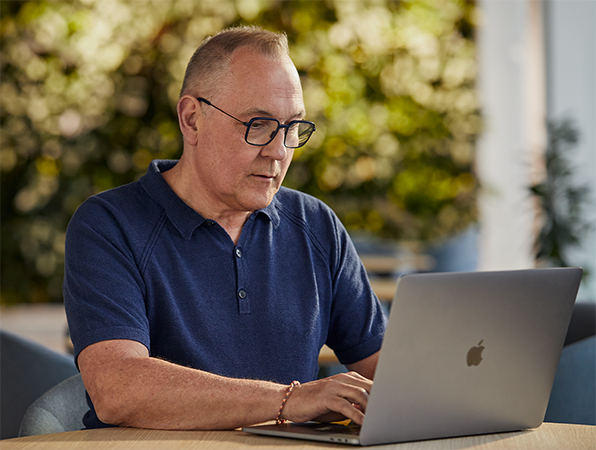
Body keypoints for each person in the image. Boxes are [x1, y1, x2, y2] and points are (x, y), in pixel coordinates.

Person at [63, 26, 386, 431]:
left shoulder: (316, 224)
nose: (279, 150)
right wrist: (290, 401)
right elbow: (118, 388)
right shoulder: (109, 224)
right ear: (192, 119)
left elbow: (389, 370)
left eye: (292, 128)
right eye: (258, 124)